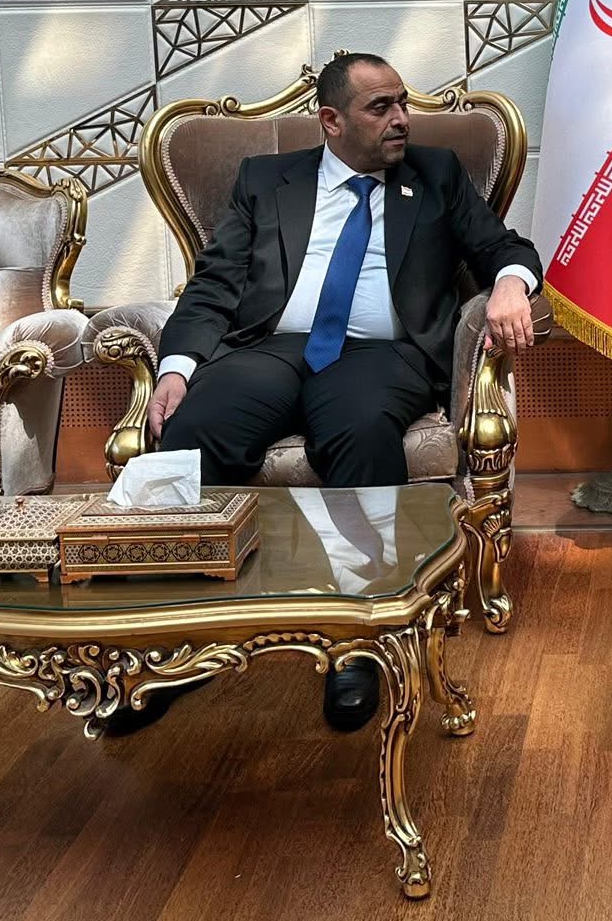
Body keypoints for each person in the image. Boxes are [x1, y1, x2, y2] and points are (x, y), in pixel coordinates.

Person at [131, 52, 540, 734]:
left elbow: (507, 247)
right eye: (381, 107)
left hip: (382, 355)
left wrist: (508, 286)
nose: (401, 118)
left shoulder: (435, 175)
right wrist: (175, 368)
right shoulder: (266, 180)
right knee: (195, 431)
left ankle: (358, 638)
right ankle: (175, 642)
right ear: (331, 120)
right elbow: (213, 284)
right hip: (271, 348)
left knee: (359, 429)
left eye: (402, 103)